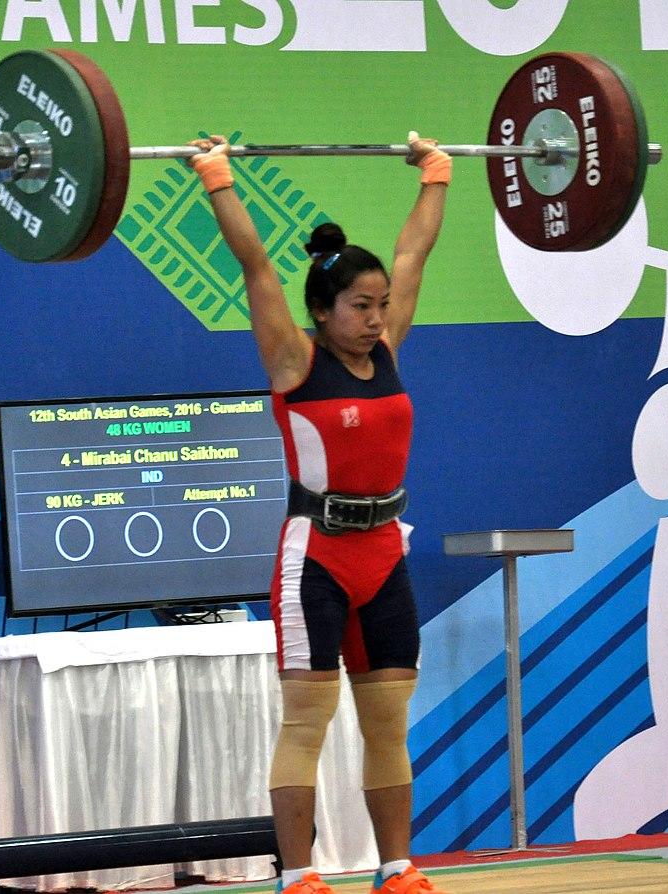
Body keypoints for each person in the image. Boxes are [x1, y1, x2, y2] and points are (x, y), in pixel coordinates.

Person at [187, 132, 451, 894]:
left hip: (384, 554)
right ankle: (297, 875)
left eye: (382, 306)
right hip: (318, 556)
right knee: (307, 724)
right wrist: (217, 181)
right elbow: (256, 265)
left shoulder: (390, 350)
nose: (377, 317)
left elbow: (414, 254)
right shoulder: (293, 361)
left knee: (387, 723)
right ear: (322, 310)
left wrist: (434, 176)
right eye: (360, 307)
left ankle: (396, 867)